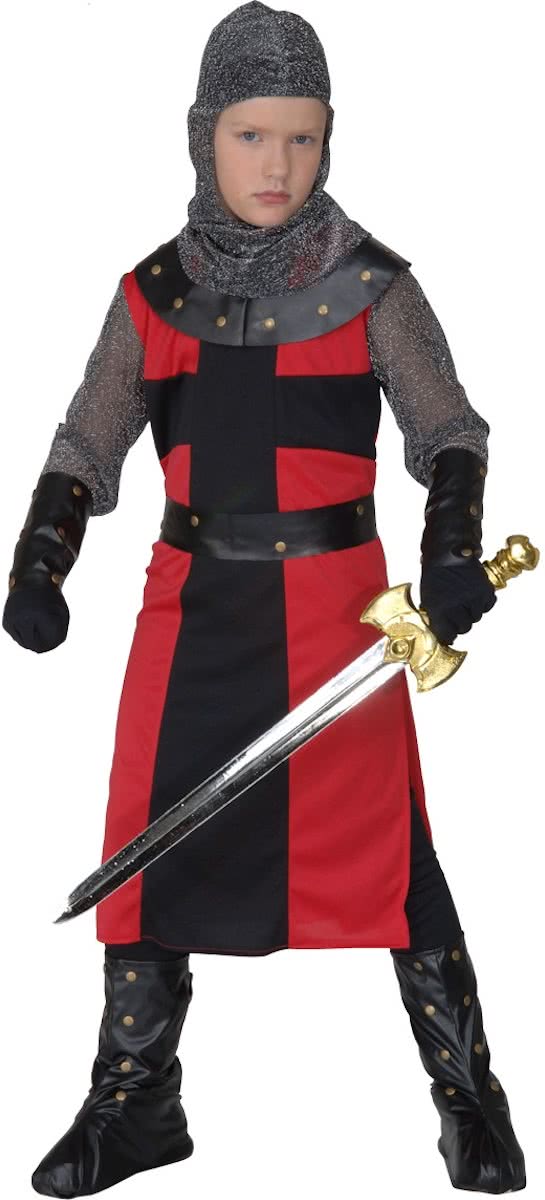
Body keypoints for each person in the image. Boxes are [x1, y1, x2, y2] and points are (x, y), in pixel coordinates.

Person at [2, 2, 526, 1195]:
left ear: (329, 139)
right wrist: (40, 564)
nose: (275, 164)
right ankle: (135, 1101)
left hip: (340, 621)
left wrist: (451, 549)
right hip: (188, 615)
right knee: (146, 854)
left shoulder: (374, 287)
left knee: (388, 851)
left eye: (300, 136)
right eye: (250, 136)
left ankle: (468, 1097)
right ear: (203, 137)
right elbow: (87, 443)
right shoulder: (152, 295)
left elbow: (447, 429)